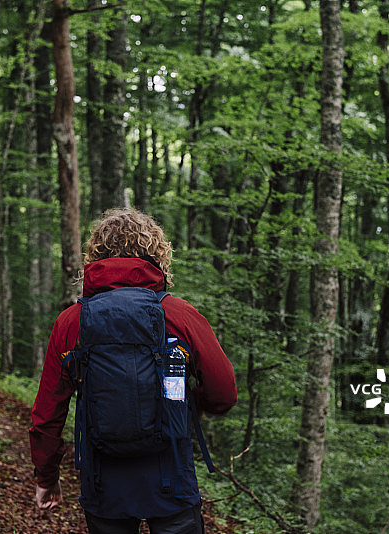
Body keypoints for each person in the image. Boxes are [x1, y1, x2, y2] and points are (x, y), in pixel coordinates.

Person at [29, 208, 237, 534]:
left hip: (102, 480)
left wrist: (47, 476)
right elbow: (225, 393)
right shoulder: (179, 315)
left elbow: (47, 414)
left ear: (96, 255)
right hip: (172, 476)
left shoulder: (71, 323)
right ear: (156, 254)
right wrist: (187, 405)